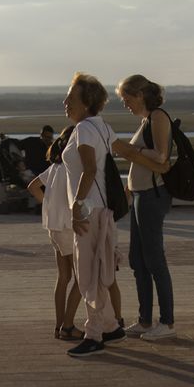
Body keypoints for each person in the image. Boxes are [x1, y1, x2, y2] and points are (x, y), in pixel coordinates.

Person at [112, 75, 176, 340]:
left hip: (152, 195)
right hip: (140, 195)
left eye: (126, 98)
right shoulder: (145, 121)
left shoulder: (158, 117)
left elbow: (161, 157)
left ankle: (167, 322)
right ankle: (145, 320)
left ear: (140, 94)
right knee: (138, 260)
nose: (125, 103)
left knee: (154, 260)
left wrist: (127, 151)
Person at [63, 72, 123, 359]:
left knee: (87, 274)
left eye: (71, 98)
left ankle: (94, 334)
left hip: (89, 211)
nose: (65, 102)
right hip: (102, 210)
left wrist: (77, 206)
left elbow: (88, 169)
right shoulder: (103, 127)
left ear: (86, 103)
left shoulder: (85, 129)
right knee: (99, 270)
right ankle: (110, 325)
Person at [26, 127, 80, 340]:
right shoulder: (72, 168)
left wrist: (47, 205)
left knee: (63, 277)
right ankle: (68, 326)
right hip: (68, 228)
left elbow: (32, 186)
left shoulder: (55, 167)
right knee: (81, 279)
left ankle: (59, 325)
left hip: (53, 227)